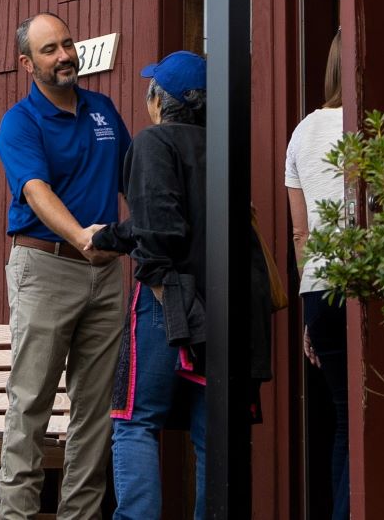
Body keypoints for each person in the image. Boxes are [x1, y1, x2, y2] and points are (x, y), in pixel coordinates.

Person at [89, 51, 274, 520]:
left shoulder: (154, 142)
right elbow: (176, 217)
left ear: (159, 99)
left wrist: (144, 273)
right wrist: (111, 235)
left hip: (171, 298)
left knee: (135, 422)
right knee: (213, 432)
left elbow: (159, 232)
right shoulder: (223, 150)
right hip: (233, 308)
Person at [0, 12, 128, 520]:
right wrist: (80, 237)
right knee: (30, 407)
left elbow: (133, 181)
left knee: (94, 416)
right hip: (45, 267)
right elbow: (35, 190)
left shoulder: (104, 111)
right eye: (50, 50)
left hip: (106, 275)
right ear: (28, 63)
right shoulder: (19, 122)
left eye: (67, 44)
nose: (65, 56)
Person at [286, 32, 351, 520]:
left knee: (345, 422)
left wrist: (310, 313)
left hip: (320, 290)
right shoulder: (373, 122)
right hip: (368, 282)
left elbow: (300, 233)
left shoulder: (303, 131)